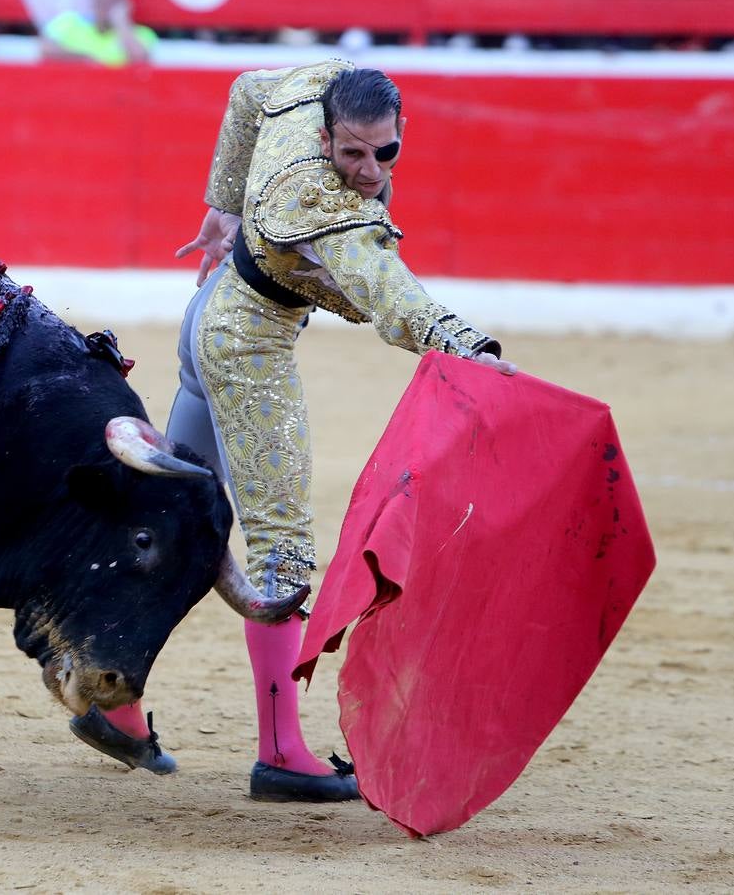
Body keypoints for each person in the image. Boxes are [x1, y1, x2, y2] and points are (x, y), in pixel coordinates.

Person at [69, 60, 517, 801]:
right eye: (351, 153)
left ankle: (109, 697)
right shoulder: (321, 200)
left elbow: (248, 88)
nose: (369, 170)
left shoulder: (322, 81)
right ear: (324, 136)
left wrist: (223, 207)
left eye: (386, 151)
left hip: (210, 312)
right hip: (245, 345)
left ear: (399, 129)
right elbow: (383, 286)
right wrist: (466, 345)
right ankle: (281, 753)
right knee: (281, 551)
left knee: (171, 517)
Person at [40, 0, 155, 67]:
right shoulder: (69, 24)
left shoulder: (141, 34)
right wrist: (85, 59)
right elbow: (46, 50)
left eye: (113, 4)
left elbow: (139, 59)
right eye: (101, 3)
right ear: (93, 3)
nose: (106, 9)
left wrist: (121, 21)